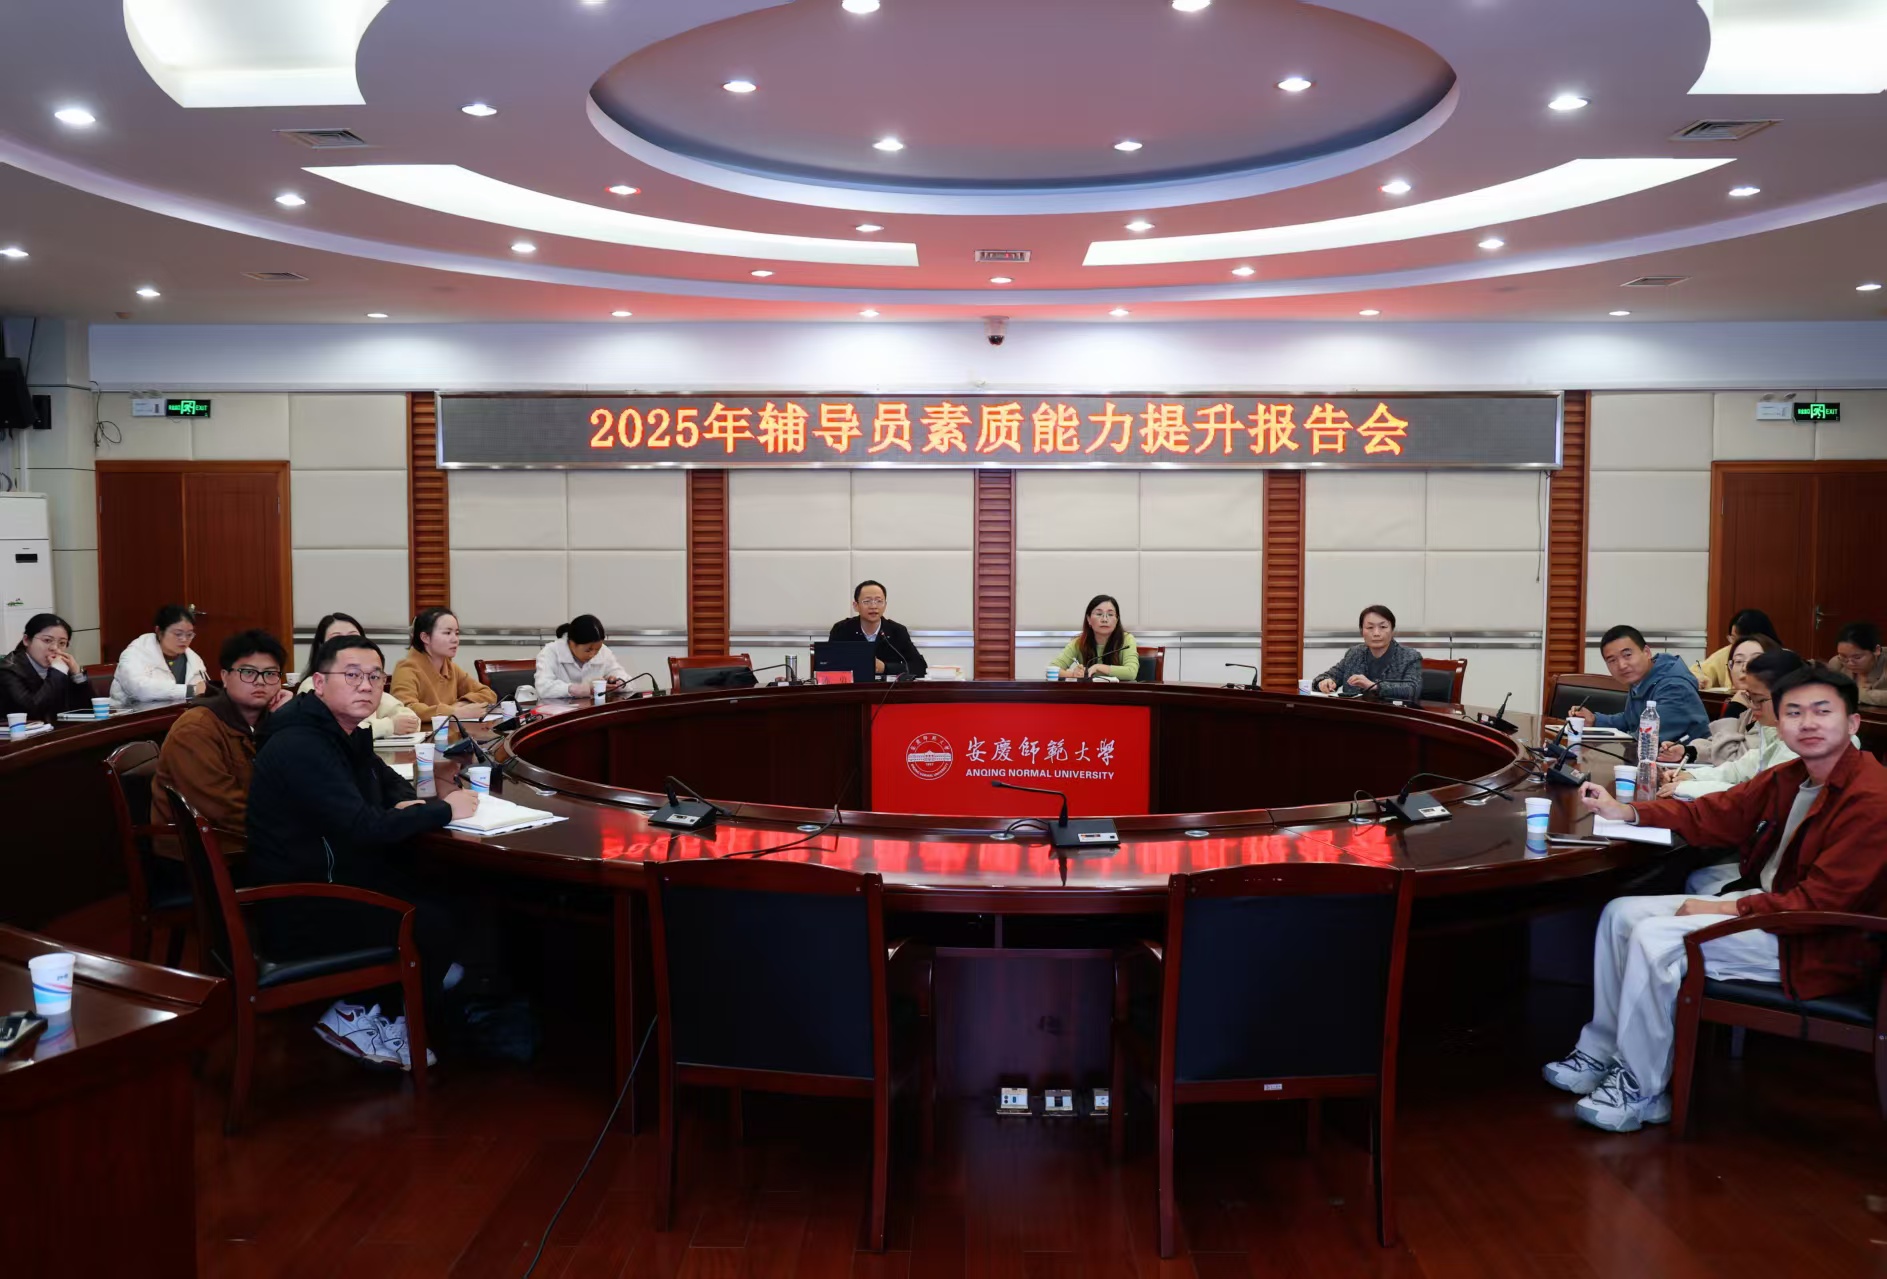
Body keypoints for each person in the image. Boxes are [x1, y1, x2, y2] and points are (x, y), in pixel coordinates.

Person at [1545, 663, 1887, 1133]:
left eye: (1822, 711)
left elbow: (1821, 903)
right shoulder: (1792, 776)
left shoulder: (1872, 798)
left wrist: (1726, 907)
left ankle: (1641, 1089)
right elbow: (1719, 811)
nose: (1807, 723)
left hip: (1818, 941)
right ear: (1779, 722)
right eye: (1794, 712)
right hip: (1776, 913)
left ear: (1852, 723)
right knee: (1620, 914)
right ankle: (1601, 1050)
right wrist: (1627, 811)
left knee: (1656, 939)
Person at [246, 631, 479, 1070]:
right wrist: (443, 810)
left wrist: (410, 804)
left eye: (375, 676)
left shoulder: (339, 730)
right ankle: (360, 1015)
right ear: (318, 683)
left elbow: (383, 783)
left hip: (333, 876)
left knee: (450, 892)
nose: (366, 686)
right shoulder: (303, 744)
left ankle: (413, 988)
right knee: (431, 921)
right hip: (303, 902)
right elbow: (362, 827)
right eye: (351, 675)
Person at [151, 629, 291, 834]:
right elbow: (223, 810)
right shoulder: (195, 729)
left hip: (258, 836)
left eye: (270, 674)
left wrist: (290, 718)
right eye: (248, 672)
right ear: (225, 677)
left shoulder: (269, 721)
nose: (260, 681)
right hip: (214, 845)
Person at [1569, 624, 1711, 746]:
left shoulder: (1674, 687)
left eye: (1627, 655)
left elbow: (1646, 738)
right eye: (1612, 660)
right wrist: (1594, 720)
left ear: (1647, 652)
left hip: (1691, 763)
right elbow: (1630, 721)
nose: (1622, 665)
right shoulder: (1643, 678)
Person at [1656, 632, 1776, 768]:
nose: (1744, 668)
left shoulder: (1771, 708)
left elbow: (1731, 758)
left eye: (1755, 660)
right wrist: (1687, 751)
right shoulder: (1748, 704)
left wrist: (1734, 710)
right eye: (1738, 661)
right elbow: (1718, 743)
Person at [301, 613, 421, 739]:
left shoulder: (369, 682)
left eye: (353, 637)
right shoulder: (312, 686)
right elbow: (335, 730)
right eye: (337, 638)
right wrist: (390, 725)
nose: (346, 644)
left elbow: (411, 720)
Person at [390, 608, 496, 722]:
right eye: (447, 633)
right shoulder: (406, 668)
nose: (455, 640)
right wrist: (453, 712)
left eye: (457, 633)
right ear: (425, 637)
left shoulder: (450, 667)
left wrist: (462, 704)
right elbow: (405, 709)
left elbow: (489, 694)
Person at [1312, 605, 1420, 702]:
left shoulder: (1409, 656)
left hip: (1392, 715)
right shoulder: (1354, 654)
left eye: (1383, 627)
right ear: (1362, 631)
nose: (1376, 633)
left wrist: (1373, 686)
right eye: (1370, 627)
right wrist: (1324, 682)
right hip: (1356, 714)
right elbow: (1326, 677)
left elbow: (1412, 690)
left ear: (1392, 630)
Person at [0, 612, 93, 719]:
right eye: (47, 640)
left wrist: (77, 675)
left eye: (62, 643)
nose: (55, 648)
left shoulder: (62, 668)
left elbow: (89, 710)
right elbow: (32, 712)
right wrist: (57, 672)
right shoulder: (7, 670)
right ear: (26, 640)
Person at [109, 604, 208, 704]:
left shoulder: (193, 658)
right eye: (178, 634)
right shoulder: (135, 653)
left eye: (189, 634)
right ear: (159, 632)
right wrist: (189, 691)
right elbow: (140, 689)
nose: (184, 639)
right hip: (133, 711)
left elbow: (203, 688)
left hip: (179, 711)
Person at [828, 580, 927, 678]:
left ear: (885, 605)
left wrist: (885, 668)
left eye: (879, 601)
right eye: (867, 601)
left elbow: (919, 667)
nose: (873, 606)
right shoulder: (842, 629)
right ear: (856, 606)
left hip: (887, 688)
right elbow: (827, 664)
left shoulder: (897, 631)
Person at [534, 613, 631, 699]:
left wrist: (617, 683)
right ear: (572, 643)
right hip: (558, 711)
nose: (593, 654)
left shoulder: (604, 652)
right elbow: (543, 688)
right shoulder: (551, 652)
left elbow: (628, 682)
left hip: (592, 709)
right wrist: (584, 689)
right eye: (588, 650)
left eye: (597, 649)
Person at [1051, 594, 1139, 681]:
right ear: (1088, 619)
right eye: (1099, 614)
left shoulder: (1126, 640)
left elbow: (1131, 672)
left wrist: (1098, 667)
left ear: (1117, 620)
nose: (1104, 619)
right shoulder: (1079, 642)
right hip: (1089, 690)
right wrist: (1073, 674)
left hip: (1118, 690)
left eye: (1110, 614)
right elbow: (1052, 668)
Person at [1689, 608, 1777, 691]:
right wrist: (1700, 679)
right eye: (1738, 661)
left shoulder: (1779, 658)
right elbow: (1697, 671)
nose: (1744, 668)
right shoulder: (1727, 652)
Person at [1828, 620, 1887, 707]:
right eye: (1843, 656)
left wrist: (1854, 693)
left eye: (1857, 657)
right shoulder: (1837, 663)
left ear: (1876, 650)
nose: (1850, 663)